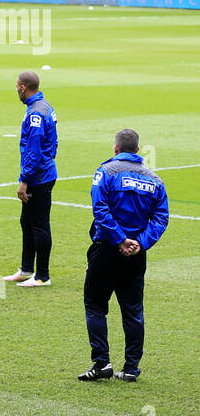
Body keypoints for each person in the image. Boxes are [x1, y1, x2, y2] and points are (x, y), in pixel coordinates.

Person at [77, 129, 169, 382]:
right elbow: (161, 218)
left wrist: (119, 239)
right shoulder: (155, 180)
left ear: (116, 148)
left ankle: (102, 363)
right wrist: (139, 243)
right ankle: (130, 368)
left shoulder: (105, 172)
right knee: (132, 311)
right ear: (138, 150)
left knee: (95, 306)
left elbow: (100, 209)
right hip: (136, 255)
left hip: (106, 250)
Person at [3, 72, 58, 288]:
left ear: (23, 87)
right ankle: (27, 269)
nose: (16, 90)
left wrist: (25, 180)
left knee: (40, 225)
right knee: (27, 222)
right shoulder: (45, 106)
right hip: (42, 172)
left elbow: (34, 150)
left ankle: (42, 275)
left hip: (39, 178)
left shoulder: (36, 113)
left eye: (17, 86)